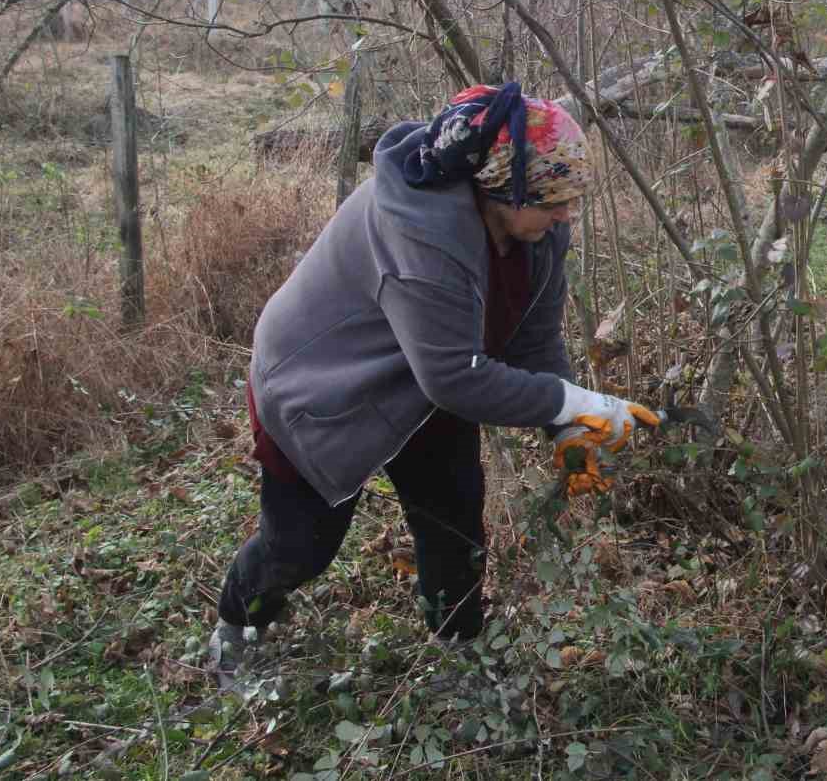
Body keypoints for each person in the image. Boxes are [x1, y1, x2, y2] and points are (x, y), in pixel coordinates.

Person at [208, 83, 658, 687]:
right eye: (554, 199)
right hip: (319, 388)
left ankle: (458, 650)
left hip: (428, 380)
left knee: (454, 521)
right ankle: (237, 629)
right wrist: (575, 400)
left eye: (572, 199)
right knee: (301, 546)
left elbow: (534, 341)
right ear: (507, 186)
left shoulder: (539, 232)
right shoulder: (423, 232)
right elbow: (451, 377)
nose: (566, 214)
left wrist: (569, 423)